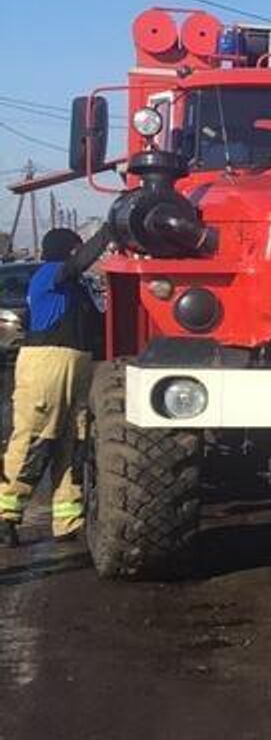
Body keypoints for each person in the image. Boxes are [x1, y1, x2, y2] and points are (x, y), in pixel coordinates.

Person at [1, 222, 111, 546]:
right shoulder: (49, 274)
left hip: (78, 366)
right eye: (76, 248)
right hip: (46, 363)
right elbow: (77, 263)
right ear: (66, 251)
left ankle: (67, 519)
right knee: (34, 439)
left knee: (73, 444)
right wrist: (108, 231)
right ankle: (6, 514)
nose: (80, 253)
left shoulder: (78, 289)